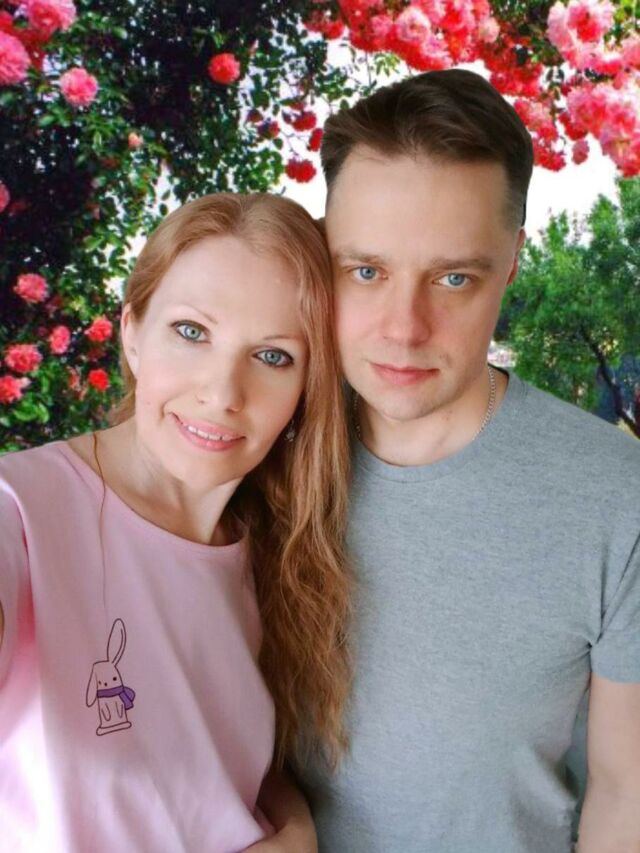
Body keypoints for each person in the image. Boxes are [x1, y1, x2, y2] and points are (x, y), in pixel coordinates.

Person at [297, 69, 640, 853]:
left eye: (454, 277)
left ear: (512, 260)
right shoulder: (263, 454)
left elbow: (626, 790)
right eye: (367, 270)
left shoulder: (618, 496)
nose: (404, 328)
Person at [0, 193, 351, 852]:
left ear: (308, 388)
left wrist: (295, 826)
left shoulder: (271, 553)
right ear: (132, 331)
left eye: (273, 356)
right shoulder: (19, 509)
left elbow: (211, 772)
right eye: (192, 332)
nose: (222, 393)